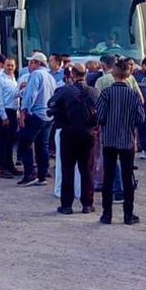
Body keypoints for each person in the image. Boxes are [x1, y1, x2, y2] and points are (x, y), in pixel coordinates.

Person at [96, 61, 144, 225]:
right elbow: (140, 118)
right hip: (127, 140)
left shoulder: (106, 93)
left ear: (113, 74)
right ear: (128, 75)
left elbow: (100, 116)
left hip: (109, 139)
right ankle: (128, 215)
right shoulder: (132, 94)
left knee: (108, 178)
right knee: (127, 177)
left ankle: (106, 214)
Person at [49, 60, 98, 215]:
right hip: (88, 134)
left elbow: (50, 105)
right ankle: (87, 204)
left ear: (72, 74)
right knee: (87, 170)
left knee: (67, 169)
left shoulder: (65, 91)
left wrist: (61, 116)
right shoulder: (94, 92)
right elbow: (103, 112)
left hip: (69, 133)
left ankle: (66, 205)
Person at [16, 52, 57, 187]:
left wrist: (23, 111)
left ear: (38, 63)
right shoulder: (50, 77)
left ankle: (30, 174)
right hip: (48, 116)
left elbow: (31, 96)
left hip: (36, 115)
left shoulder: (36, 75)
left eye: (31, 62)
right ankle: (42, 175)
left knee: (25, 143)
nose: (29, 65)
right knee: (42, 146)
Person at [0, 55, 20, 179]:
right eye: (8, 65)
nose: (10, 68)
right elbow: (0, 99)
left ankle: (10, 165)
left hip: (13, 112)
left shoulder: (13, 77)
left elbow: (14, 95)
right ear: (4, 65)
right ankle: (3, 167)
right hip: (4, 112)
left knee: (11, 141)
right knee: (3, 141)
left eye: (12, 65)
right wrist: (3, 116)